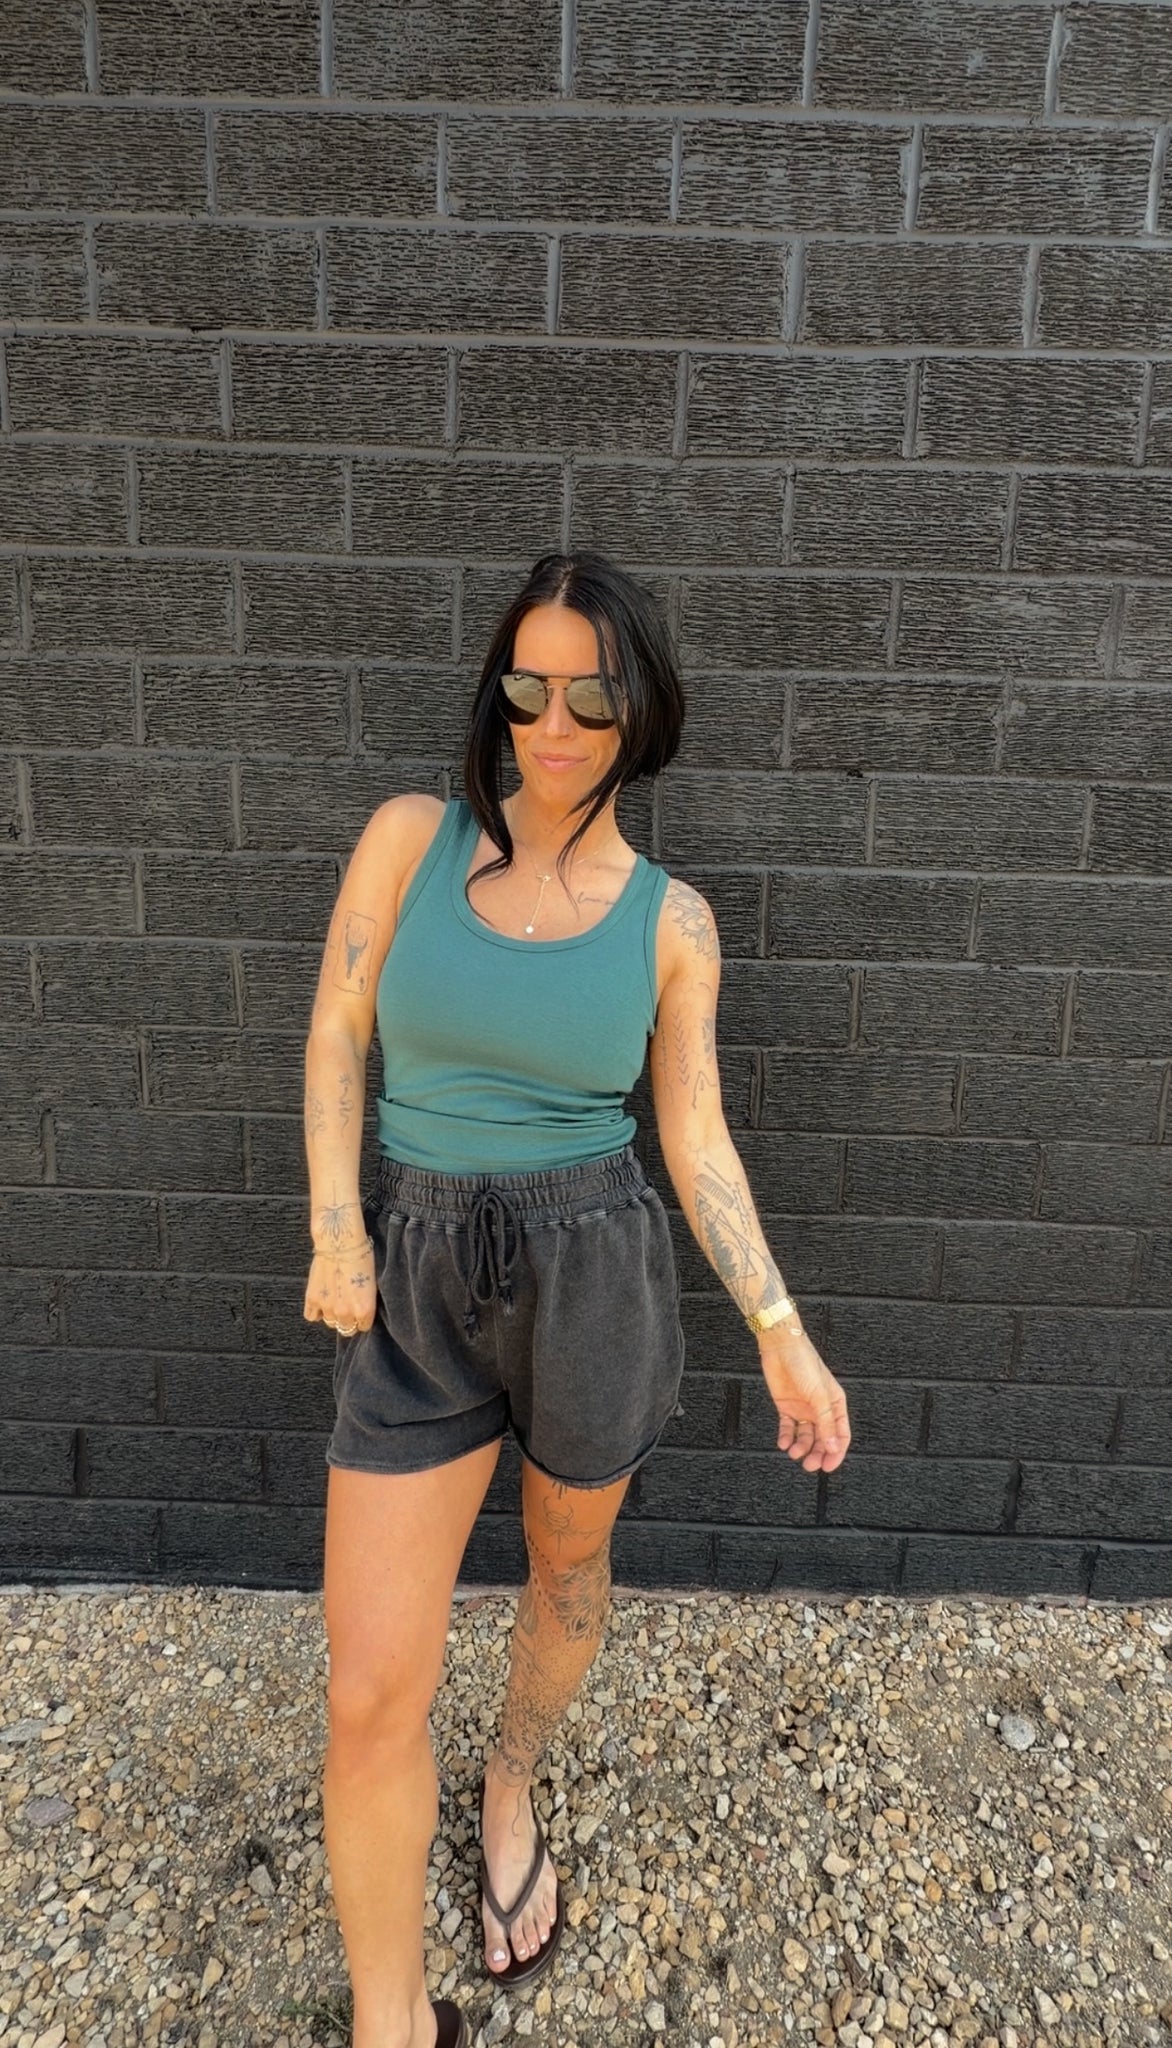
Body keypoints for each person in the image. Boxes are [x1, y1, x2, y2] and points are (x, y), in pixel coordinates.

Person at [302, 550, 851, 2048]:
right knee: (368, 1691)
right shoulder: (408, 841)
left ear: (640, 710)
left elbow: (695, 1133)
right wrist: (336, 1228)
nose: (554, 725)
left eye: (592, 697)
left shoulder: (672, 923)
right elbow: (338, 1030)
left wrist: (782, 1331)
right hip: (414, 1276)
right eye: (528, 690)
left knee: (564, 1574)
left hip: (594, 1270)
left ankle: (513, 1780)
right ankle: (393, 2022)